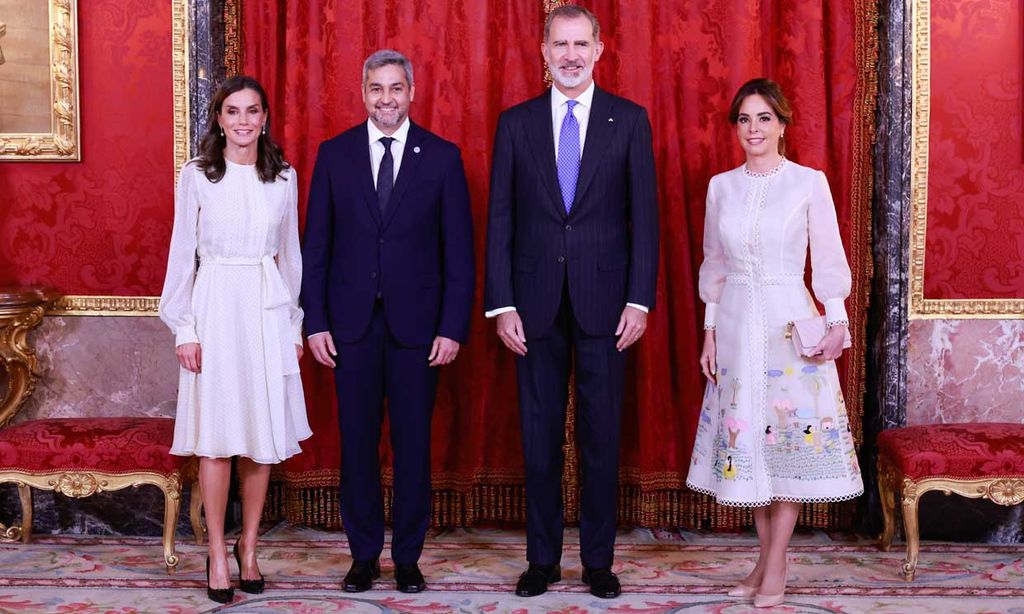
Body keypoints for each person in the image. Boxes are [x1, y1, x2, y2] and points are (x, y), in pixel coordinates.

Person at [484, 5, 659, 600]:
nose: (570, 54)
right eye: (560, 44)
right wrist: (500, 303)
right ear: (543, 51)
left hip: (607, 307)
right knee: (537, 441)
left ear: (600, 50)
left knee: (601, 439)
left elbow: (646, 221)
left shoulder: (629, 121)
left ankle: (599, 563)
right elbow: (500, 218)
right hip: (531, 307)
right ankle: (541, 561)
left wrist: (639, 300)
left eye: (581, 44)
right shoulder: (515, 123)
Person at [301, 49, 474, 594]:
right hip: (349, 328)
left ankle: (407, 557)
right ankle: (363, 555)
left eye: (396, 88)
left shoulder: (443, 158)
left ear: (413, 92)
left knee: (413, 445)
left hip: (418, 331)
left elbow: (459, 254)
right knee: (356, 445)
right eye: (376, 88)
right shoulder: (335, 155)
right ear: (362, 92)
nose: (386, 99)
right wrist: (316, 321)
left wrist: (452, 327)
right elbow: (317, 248)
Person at [686, 78, 864, 609]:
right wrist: (710, 330)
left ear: (783, 124)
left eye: (764, 118)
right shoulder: (722, 187)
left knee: (784, 445)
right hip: (738, 323)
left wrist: (837, 321)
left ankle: (776, 567)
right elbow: (714, 263)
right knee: (752, 449)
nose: (754, 129)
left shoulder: (809, 182)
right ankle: (765, 563)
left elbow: (829, 258)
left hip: (790, 323)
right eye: (744, 119)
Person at [159, 75, 310, 604]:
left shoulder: (284, 177)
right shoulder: (198, 175)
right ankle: (218, 553)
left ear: (265, 117)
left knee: (261, 441)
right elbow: (182, 253)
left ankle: (249, 549)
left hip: (266, 311)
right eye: (233, 111)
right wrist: (186, 327)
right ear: (218, 119)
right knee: (219, 438)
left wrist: (294, 325)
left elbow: (290, 256)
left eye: (252, 111)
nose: (243, 121)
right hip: (216, 308)